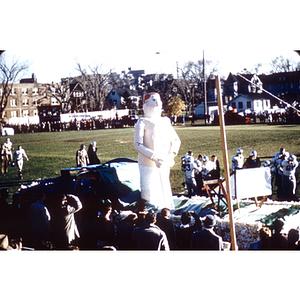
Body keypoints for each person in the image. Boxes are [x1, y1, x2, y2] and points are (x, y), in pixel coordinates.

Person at [134, 92, 181, 209]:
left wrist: (171, 155)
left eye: (158, 99)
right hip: (147, 164)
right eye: (153, 99)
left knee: (165, 185)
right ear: (146, 103)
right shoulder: (142, 122)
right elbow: (137, 144)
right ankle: (149, 211)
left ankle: (168, 209)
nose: (157, 102)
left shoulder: (165, 121)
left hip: (164, 161)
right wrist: (154, 157)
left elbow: (176, 140)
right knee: (148, 189)